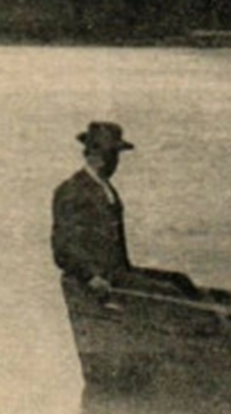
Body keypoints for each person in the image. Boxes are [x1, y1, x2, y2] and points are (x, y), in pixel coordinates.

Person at [51, 122, 197, 301]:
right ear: (97, 154)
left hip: (119, 273)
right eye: (112, 154)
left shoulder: (105, 187)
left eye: (115, 155)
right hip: (102, 279)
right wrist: (90, 277)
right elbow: (62, 248)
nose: (116, 162)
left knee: (179, 281)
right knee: (167, 291)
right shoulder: (72, 190)